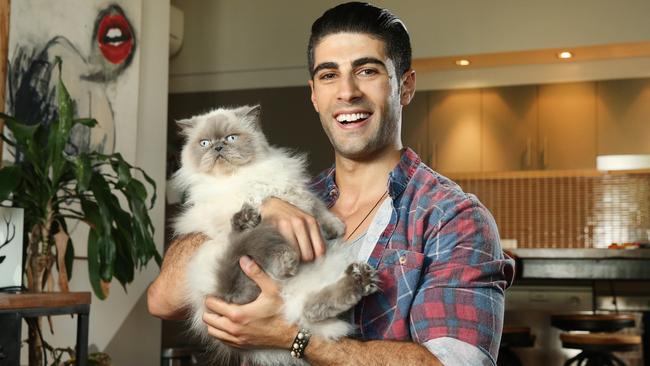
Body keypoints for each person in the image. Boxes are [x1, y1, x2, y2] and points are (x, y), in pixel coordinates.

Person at [148, 2, 515, 365]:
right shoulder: (290, 196)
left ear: (405, 87)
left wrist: (293, 337)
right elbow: (162, 300)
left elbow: (457, 363)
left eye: (367, 71)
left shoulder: (453, 218)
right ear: (314, 94)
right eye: (328, 75)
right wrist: (255, 205)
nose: (347, 91)